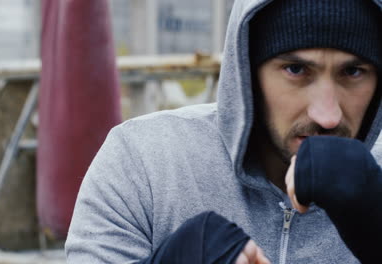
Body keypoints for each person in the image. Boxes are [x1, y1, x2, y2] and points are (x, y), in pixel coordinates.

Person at [65, 0, 382, 263]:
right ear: (248, 72)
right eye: (296, 70)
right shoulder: (144, 164)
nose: (327, 115)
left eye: (353, 72)